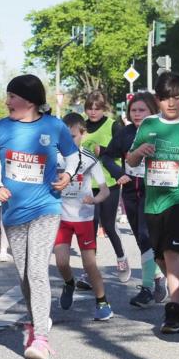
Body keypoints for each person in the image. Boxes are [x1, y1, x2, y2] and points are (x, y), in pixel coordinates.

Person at [0, 75, 77, 359]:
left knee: (36, 270)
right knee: (24, 275)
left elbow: (72, 157)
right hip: (14, 211)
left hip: (46, 207)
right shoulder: (1, 129)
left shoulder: (53, 126)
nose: (7, 101)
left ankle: (42, 340)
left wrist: (67, 176)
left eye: (12, 96)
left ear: (30, 101)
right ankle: (35, 323)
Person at [126, 71, 179, 335]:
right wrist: (139, 152)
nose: (171, 104)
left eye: (176, 98)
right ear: (157, 100)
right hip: (154, 201)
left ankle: (173, 310)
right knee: (160, 255)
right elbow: (130, 161)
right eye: (165, 99)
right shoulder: (149, 125)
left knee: (174, 251)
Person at [101, 91, 169, 307]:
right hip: (131, 190)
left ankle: (147, 288)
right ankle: (158, 276)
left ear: (152, 110)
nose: (137, 114)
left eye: (142, 110)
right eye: (134, 110)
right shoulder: (125, 133)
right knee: (141, 239)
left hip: (153, 190)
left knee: (144, 233)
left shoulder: (161, 131)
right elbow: (107, 155)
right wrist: (117, 172)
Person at [56, 113, 113, 321]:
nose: (67, 141)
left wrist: (95, 200)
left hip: (84, 218)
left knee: (89, 264)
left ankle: (102, 301)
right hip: (61, 218)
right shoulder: (55, 157)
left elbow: (105, 191)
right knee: (61, 262)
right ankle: (69, 283)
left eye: (72, 136)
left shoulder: (89, 159)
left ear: (83, 133)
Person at [78, 91, 131, 287]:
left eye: (97, 108)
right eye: (89, 108)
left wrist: (104, 150)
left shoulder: (113, 125)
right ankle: (88, 272)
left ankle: (121, 258)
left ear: (103, 108)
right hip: (86, 184)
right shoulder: (81, 126)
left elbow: (124, 152)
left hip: (108, 183)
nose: (93, 112)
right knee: (89, 228)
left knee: (108, 225)